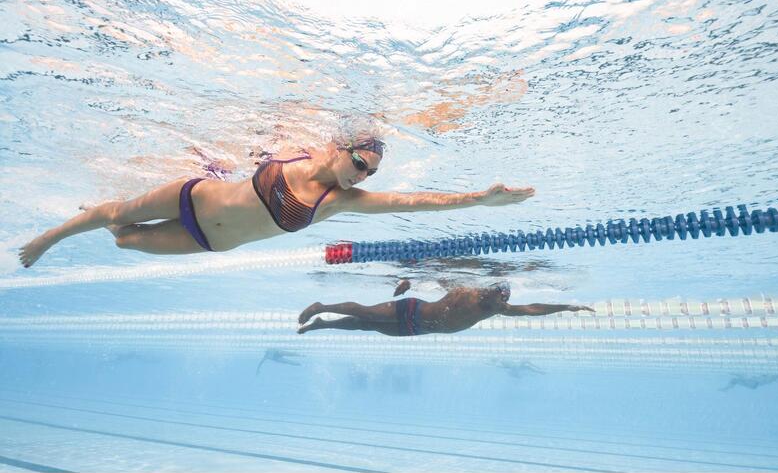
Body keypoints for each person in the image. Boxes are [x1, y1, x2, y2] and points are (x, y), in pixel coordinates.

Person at [18, 135, 535, 267]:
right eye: (360, 164)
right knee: (116, 213)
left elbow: (416, 203)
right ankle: (49, 238)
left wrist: (479, 201)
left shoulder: (339, 202)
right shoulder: (295, 154)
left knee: (126, 241)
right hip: (193, 196)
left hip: (206, 242)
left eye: (371, 173)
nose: (363, 176)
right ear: (340, 149)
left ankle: (95, 219)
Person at [297, 278, 595, 336]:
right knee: (365, 312)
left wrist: (567, 307)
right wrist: (407, 281)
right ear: (491, 292)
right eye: (500, 297)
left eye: (504, 300)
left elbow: (534, 308)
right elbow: (432, 275)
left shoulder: (495, 309)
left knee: (366, 326)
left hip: (417, 330)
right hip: (411, 311)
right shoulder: (466, 289)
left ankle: (324, 324)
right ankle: (322, 306)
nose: (503, 303)